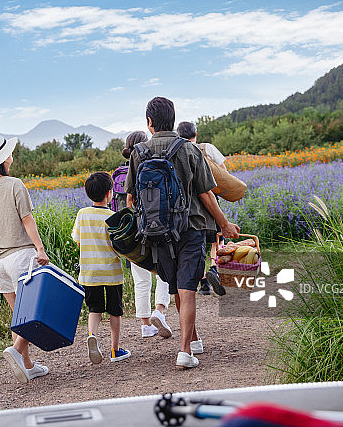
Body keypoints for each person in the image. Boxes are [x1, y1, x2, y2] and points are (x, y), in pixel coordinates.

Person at [126, 97, 240, 369]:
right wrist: (224, 224)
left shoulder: (138, 152)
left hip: (157, 232)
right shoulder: (188, 150)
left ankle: (194, 338)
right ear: (174, 120)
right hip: (191, 228)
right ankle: (184, 351)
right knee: (187, 288)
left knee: (177, 286)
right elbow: (206, 194)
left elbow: (130, 199)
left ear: (149, 122)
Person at [0, 132, 51, 383]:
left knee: (19, 316)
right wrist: (40, 248)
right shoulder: (15, 184)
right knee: (36, 310)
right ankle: (16, 352)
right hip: (21, 256)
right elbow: (27, 220)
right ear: (4, 159)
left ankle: (28, 365)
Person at [117, 131, 173, 339]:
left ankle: (145, 325)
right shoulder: (149, 167)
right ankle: (160, 310)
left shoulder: (118, 174)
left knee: (140, 279)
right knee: (164, 272)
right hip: (153, 225)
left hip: (129, 233)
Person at [72, 172, 130, 364]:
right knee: (115, 310)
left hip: (89, 273)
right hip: (112, 273)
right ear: (109, 194)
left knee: (94, 308)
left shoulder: (82, 214)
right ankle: (115, 350)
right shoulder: (112, 217)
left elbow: (78, 241)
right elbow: (117, 247)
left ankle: (92, 335)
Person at [176, 121, 226, 297]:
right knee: (217, 239)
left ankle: (203, 281)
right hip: (210, 201)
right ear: (195, 134)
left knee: (198, 244)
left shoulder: (177, 152)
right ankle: (214, 267)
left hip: (190, 207)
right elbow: (223, 174)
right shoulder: (207, 148)